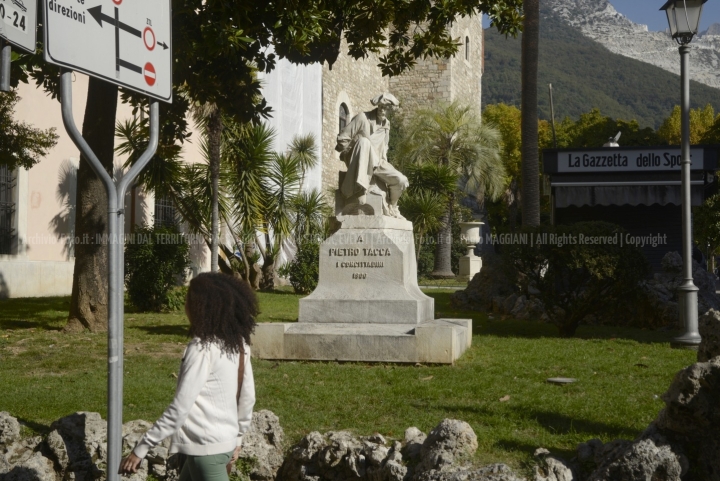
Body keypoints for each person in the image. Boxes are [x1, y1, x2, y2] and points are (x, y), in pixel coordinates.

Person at [118, 272, 257, 480]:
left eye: (189, 300)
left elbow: (179, 409)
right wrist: (237, 439)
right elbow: (247, 397)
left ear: (201, 306)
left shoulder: (201, 348)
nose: (186, 306)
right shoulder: (238, 344)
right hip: (220, 447)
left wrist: (142, 448)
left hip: (206, 453)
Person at [336, 92, 409, 219]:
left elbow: (384, 148)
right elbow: (342, 139)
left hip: (378, 162)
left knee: (401, 180)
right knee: (364, 142)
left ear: (391, 111)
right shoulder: (362, 118)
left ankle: (392, 207)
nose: (382, 110)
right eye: (381, 106)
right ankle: (360, 188)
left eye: (386, 108)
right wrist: (353, 147)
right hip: (360, 159)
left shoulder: (387, 125)